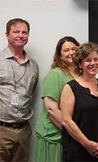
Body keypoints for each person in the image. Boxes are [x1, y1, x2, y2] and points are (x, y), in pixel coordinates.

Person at [61, 42, 98, 161]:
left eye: (96, 59)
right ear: (80, 64)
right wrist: (87, 144)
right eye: (88, 60)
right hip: (79, 150)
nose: (93, 63)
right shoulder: (70, 87)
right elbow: (66, 121)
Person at [35, 36, 80, 162]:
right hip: (54, 136)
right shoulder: (55, 75)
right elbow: (51, 110)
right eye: (66, 50)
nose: (71, 53)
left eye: (74, 49)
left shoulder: (83, 74)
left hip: (74, 135)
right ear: (60, 56)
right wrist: (73, 133)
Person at [0, 18, 39, 162]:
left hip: (23, 131)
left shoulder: (33, 66)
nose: (21, 35)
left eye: (25, 32)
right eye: (16, 31)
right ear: (7, 35)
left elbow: (31, 93)